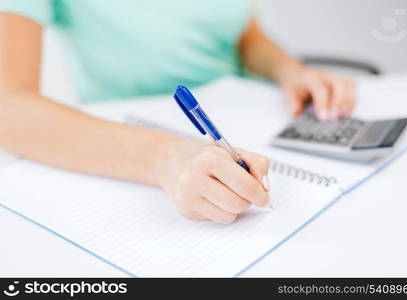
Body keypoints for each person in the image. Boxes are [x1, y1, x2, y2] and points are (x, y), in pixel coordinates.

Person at [0, 0, 355, 224]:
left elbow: (243, 35)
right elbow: (8, 107)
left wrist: (290, 70)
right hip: (127, 143)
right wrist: (168, 159)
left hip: (252, 111)